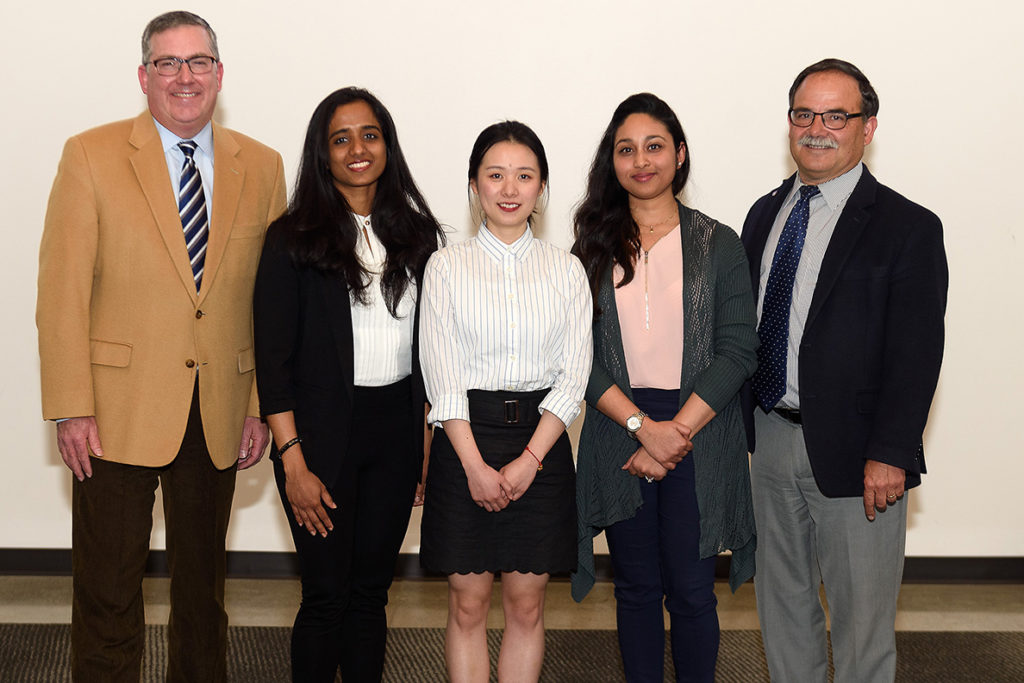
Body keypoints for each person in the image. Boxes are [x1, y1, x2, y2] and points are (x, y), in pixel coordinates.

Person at [35, 11, 286, 682]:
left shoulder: (263, 166)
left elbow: (272, 303)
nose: (184, 77)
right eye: (168, 63)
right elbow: (60, 293)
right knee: (107, 591)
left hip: (220, 410)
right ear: (143, 76)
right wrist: (70, 405)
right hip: (112, 413)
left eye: (198, 61)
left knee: (203, 598)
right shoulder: (89, 155)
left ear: (219, 74)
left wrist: (259, 404)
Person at [741, 58, 948, 682]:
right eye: (804, 114)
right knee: (783, 613)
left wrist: (891, 452)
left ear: (868, 127)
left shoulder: (908, 227)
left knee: (861, 630)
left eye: (836, 115)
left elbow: (917, 354)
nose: (817, 128)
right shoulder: (764, 214)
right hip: (769, 439)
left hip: (862, 459)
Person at [253, 87, 444, 682]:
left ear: (387, 145)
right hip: (317, 440)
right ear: (323, 152)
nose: (357, 149)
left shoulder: (420, 237)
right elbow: (273, 363)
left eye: (369, 135)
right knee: (325, 595)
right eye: (341, 139)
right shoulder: (291, 239)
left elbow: (432, 353)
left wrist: (424, 442)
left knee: (370, 595)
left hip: (396, 434)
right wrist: (292, 461)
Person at [571, 93, 759, 682]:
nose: (641, 161)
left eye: (654, 146)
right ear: (612, 162)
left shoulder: (719, 243)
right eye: (626, 150)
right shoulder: (590, 246)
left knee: (692, 591)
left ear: (679, 154)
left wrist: (670, 435)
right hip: (618, 427)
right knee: (634, 588)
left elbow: (738, 348)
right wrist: (640, 428)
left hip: (699, 428)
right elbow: (576, 356)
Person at [419, 121, 592, 683]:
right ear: (474, 185)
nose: (510, 189)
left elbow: (573, 377)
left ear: (542, 187)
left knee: (527, 606)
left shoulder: (566, 270)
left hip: (539, 446)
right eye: (495, 175)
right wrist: (474, 466)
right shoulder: (446, 267)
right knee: (467, 606)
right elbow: (443, 378)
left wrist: (530, 460)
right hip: (464, 443)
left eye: (524, 175)